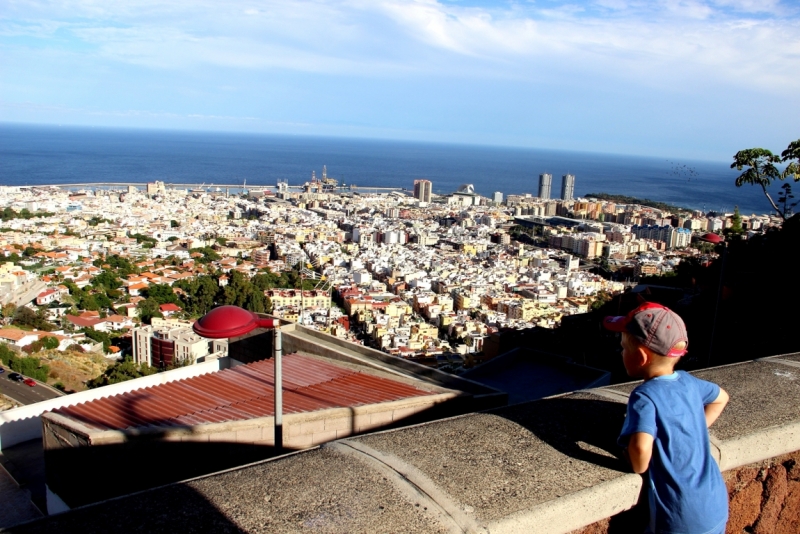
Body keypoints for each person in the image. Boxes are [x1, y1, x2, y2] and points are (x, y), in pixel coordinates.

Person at [604, 302, 729, 534]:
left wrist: (635, 464)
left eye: (624, 347)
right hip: (716, 504)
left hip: (678, 516)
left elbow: (641, 450)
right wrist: (695, 427)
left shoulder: (644, 396)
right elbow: (721, 398)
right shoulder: (689, 382)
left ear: (641, 356)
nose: (622, 352)